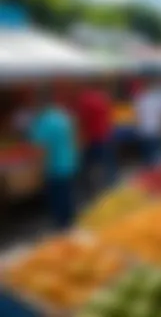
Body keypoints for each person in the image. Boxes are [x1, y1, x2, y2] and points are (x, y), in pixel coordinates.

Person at [29, 88, 78, 230]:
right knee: (67, 195)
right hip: (69, 161)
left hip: (54, 166)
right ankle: (69, 223)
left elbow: (39, 148)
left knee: (57, 198)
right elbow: (74, 137)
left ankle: (62, 227)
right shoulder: (63, 115)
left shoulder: (43, 122)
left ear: (39, 103)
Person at [76, 81, 114, 194]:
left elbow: (83, 121)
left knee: (91, 165)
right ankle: (107, 185)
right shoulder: (103, 98)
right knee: (103, 162)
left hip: (92, 137)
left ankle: (94, 189)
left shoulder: (85, 100)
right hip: (105, 135)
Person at [135, 77, 161, 166]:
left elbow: (138, 116)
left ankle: (149, 169)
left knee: (147, 154)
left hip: (144, 130)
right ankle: (157, 170)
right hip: (156, 129)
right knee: (156, 154)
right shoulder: (158, 99)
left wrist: (138, 128)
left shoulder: (140, 99)